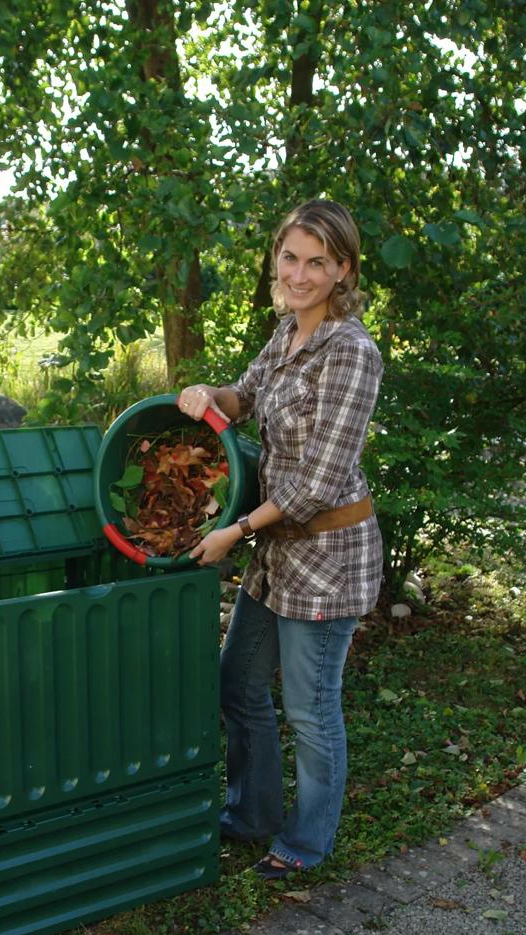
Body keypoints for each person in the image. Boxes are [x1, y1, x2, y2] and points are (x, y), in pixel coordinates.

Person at [177, 199, 383, 880]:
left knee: (311, 708)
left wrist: (232, 531)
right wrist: (207, 394)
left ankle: (306, 840)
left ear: (343, 269)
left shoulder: (351, 352)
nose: (298, 273)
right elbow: (245, 396)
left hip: (326, 558)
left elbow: (318, 482)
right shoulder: (288, 332)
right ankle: (250, 813)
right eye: (290, 257)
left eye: (316, 262)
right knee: (237, 682)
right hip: (277, 552)